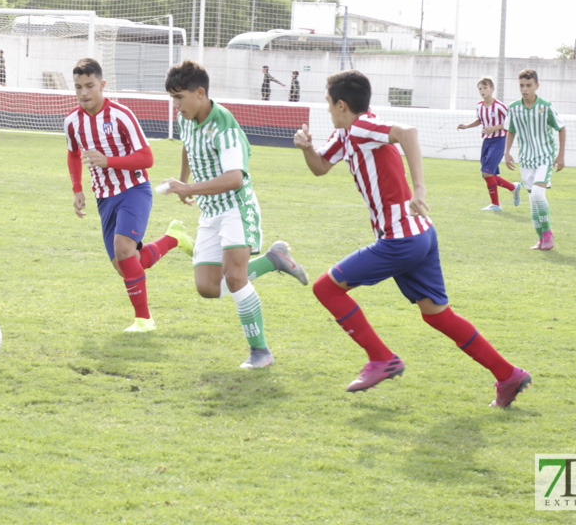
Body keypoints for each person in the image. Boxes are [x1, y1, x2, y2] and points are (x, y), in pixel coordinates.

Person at [293, 69, 531, 407]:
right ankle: (509, 375)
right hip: (421, 234)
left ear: (342, 105)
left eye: (329, 104)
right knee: (437, 315)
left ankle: (381, 358)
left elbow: (408, 132)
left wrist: (419, 188)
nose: (327, 110)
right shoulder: (348, 133)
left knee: (326, 288)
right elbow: (320, 167)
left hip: (401, 239)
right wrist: (306, 148)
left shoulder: (361, 127)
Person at [156, 60, 309, 369]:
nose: (176, 104)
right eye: (173, 97)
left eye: (179, 97)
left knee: (235, 276)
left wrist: (190, 187)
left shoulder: (224, 127)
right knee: (208, 288)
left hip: (236, 207)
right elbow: (188, 144)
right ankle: (274, 260)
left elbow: (235, 178)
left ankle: (260, 352)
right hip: (210, 210)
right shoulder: (186, 118)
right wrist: (184, 181)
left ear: (200, 93)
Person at [66, 58, 193, 333]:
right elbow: (73, 153)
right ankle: (173, 238)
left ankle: (144, 321)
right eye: (78, 87)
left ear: (102, 84)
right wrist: (77, 188)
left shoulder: (121, 115)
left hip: (134, 191)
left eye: (89, 86)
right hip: (104, 199)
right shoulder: (72, 122)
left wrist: (108, 161)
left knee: (124, 250)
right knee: (127, 266)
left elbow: (147, 158)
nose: (84, 93)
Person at [503, 69, 566, 250]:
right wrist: (507, 152)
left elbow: (561, 128)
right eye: (522, 85)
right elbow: (511, 131)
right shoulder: (514, 108)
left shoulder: (546, 106)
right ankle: (540, 239)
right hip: (526, 160)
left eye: (529, 85)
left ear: (536, 86)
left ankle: (548, 234)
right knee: (532, 200)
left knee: (538, 194)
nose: (525, 89)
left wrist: (560, 155)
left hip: (545, 157)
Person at [457, 76, 520, 211]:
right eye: (480, 88)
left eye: (485, 88)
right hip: (487, 141)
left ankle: (496, 205)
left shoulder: (500, 106)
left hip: (499, 141)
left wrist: (495, 127)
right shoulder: (479, 106)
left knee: (487, 172)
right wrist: (466, 126)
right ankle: (513, 187)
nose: (482, 91)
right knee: (488, 174)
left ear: (492, 89)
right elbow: (480, 120)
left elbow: (511, 122)